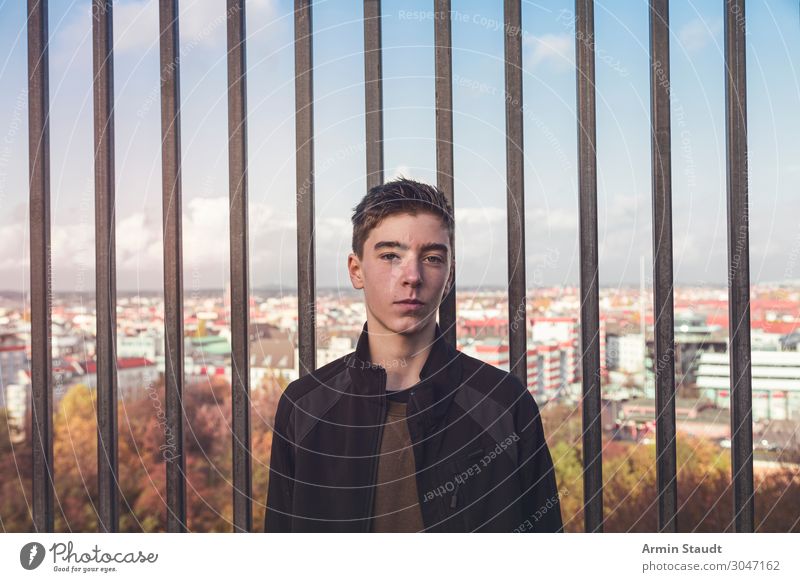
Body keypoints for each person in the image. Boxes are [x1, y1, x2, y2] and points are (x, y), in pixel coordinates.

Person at [265, 177, 563, 532]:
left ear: (449, 275)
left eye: (432, 257)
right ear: (356, 270)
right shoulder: (305, 408)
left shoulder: (505, 406)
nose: (412, 276)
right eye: (391, 255)